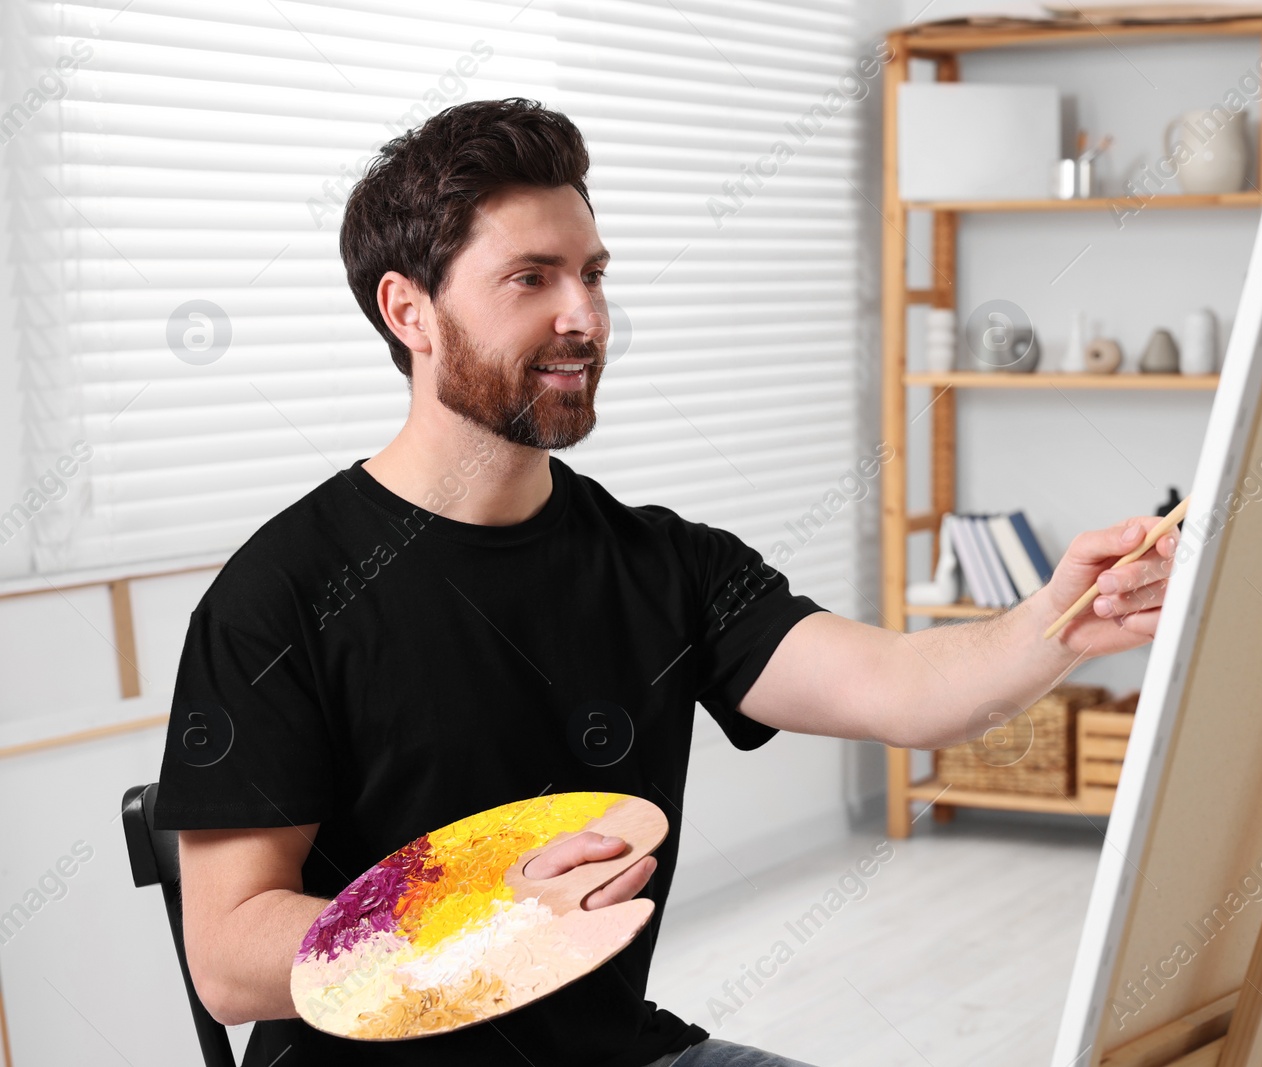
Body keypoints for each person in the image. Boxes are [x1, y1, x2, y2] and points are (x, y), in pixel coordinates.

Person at [154, 98, 1175, 1067]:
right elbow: (230, 956)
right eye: (531, 279)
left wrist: (1062, 617)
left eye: (592, 274)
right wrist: (477, 913)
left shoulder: (661, 563)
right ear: (408, 312)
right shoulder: (278, 596)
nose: (585, 316)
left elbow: (905, 688)